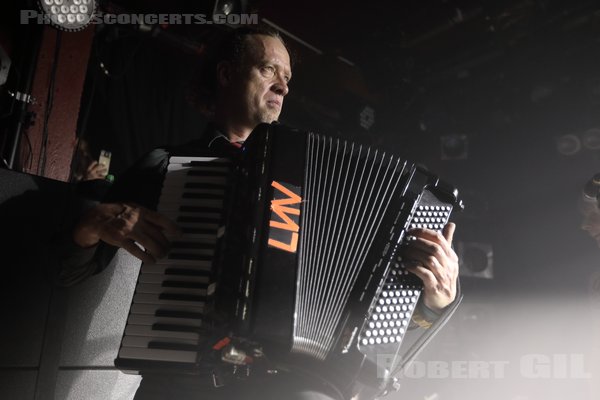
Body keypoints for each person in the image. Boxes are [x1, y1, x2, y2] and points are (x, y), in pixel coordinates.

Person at [55, 27, 460, 399]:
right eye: (269, 69)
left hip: (286, 385)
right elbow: (66, 270)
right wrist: (92, 223)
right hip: (183, 383)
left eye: (287, 78)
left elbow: (369, 331)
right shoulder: (168, 166)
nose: (283, 85)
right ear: (227, 74)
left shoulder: (314, 177)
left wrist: (432, 304)